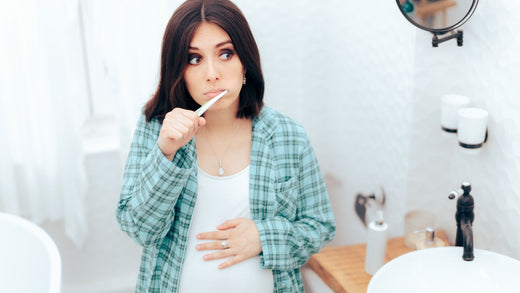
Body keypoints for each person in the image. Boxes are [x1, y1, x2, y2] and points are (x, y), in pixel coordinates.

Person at [116, 0, 335, 292]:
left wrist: (263, 237)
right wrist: (165, 154)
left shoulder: (287, 134)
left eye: (225, 54)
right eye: (194, 59)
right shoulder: (156, 128)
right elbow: (139, 229)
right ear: (178, 71)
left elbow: (320, 226)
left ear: (245, 61)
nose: (212, 73)